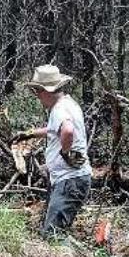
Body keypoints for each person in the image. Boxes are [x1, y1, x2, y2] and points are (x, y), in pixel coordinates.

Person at [23, 64, 91, 238]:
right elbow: (55, 129)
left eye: (37, 92)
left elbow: (67, 130)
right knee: (53, 230)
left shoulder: (59, 109)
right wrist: (29, 134)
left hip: (69, 182)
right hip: (69, 180)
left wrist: (66, 153)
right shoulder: (67, 104)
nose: (37, 97)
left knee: (53, 236)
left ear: (45, 91)